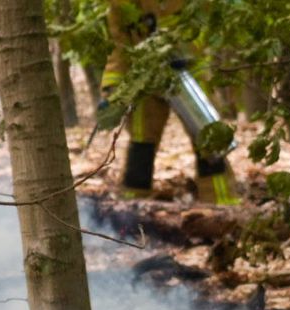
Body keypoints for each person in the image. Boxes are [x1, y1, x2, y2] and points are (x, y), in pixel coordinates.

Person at [101, 0, 240, 205]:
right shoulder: (120, 4)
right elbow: (118, 45)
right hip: (145, 76)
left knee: (208, 138)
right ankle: (132, 204)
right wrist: (112, 86)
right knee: (142, 143)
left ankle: (221, 201)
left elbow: (205, 20)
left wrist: (187, 49)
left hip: (190, 72)